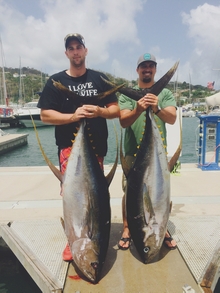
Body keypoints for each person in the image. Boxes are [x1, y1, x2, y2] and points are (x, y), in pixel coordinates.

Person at [37, 33, 120, 261]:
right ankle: (72, 238)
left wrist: (100, 111)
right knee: (72, 195)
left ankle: (90, 235)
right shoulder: (55, 82)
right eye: (71, 48)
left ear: (85, 50)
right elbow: (45, 115)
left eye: (78, 47)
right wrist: (73, 116)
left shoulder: (100, 79)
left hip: (95, 150)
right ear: (66, 53)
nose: (75, 51)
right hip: (69, 149)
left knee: (95, 196)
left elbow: (115, 110)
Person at [118, 53, 177, 250]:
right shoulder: (127, 95)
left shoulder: (165, 94)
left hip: (157, 156)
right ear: (138, 70)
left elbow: (172, 118)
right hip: (132, 154)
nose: (147, 69)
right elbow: (123, 121)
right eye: (144, 66)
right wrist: (138, 109)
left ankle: (163, 227)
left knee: (161, 192)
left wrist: (156, 107)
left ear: (155, 69)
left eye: (151, 66)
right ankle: (127, 228)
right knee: (129, 192)